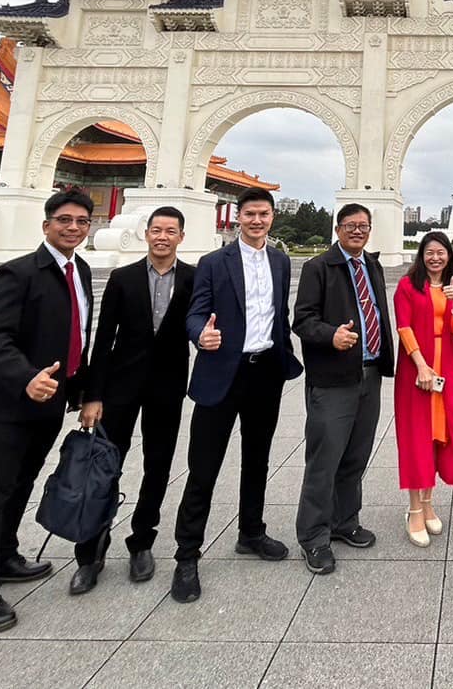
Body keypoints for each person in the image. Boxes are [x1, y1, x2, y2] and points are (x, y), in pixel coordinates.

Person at [0, 188, 95, 634]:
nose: (73, 228)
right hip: (10, 404)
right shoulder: (16, 273)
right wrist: (26, 377)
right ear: (46, 224)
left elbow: (77, 336)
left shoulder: (80, 270)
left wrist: (82, 392)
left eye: (81, 222)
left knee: (21, 484)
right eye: (64, 220)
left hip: (51, 401)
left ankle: (3, 555)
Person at [169, 188, 303, 601]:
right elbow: (195, 312)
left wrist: (284, 351)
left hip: (265, 373)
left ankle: (251, 532)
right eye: (250, 214)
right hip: (221, 374)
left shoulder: (280, 261)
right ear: (238, 217)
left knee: (257, 459)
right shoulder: (213, 263)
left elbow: (278, 313)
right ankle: (187, 555)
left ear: (272, 217)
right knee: (203, 467)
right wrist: (200, 335)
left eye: (264, 214)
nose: (257, 221)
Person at [66, 206, 196, 597]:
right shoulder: (123, 278)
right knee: (105, 467)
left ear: (181, 237)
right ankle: (90, 551)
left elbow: (201, 324)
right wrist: (93, 395)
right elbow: (103, 338)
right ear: (146, 234)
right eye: (156, 230)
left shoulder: (193, 278)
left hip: (167, 387)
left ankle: (142, 541)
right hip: (119, 387)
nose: (162, 237)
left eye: (170, 231)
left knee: (158, 465)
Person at [292, 203, 394, 574]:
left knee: (355, 455)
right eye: (350, 225)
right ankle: (313, 536)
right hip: (334, 379)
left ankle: (345, 520)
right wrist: (330, 335)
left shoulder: (372, 265)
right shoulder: (319, 267)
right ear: (338, 229)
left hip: (370, 374)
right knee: (325, 459)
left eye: (363, 225)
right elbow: (302, 320)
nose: (357, 231)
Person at [393, 231, 453, 545]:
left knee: (441, 434)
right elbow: (404, 327)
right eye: (429, 252)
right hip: (417, 369)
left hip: (448, 367)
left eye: (441, 252)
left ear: (449, 256)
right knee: (417, 437)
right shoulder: (407, 286)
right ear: (421, 255)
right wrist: (421, 365)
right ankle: (414, 510)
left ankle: (428, 503)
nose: (435, 258)